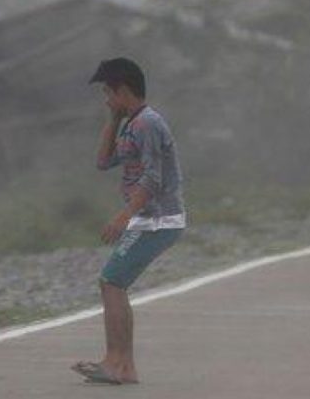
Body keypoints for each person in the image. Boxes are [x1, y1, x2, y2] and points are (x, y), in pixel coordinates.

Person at [72, 57, 187, 385]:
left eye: (108, 94)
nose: (106, 100)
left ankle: (117, 363)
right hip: (149, 219)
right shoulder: (131, 123)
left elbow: (153, 177)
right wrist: (113, 118)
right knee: (114, 283)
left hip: (158, 219)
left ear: (123, 90)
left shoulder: (147, 123)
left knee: (111, 281)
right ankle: (123, 366)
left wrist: (124, 216)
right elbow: (103, 161)